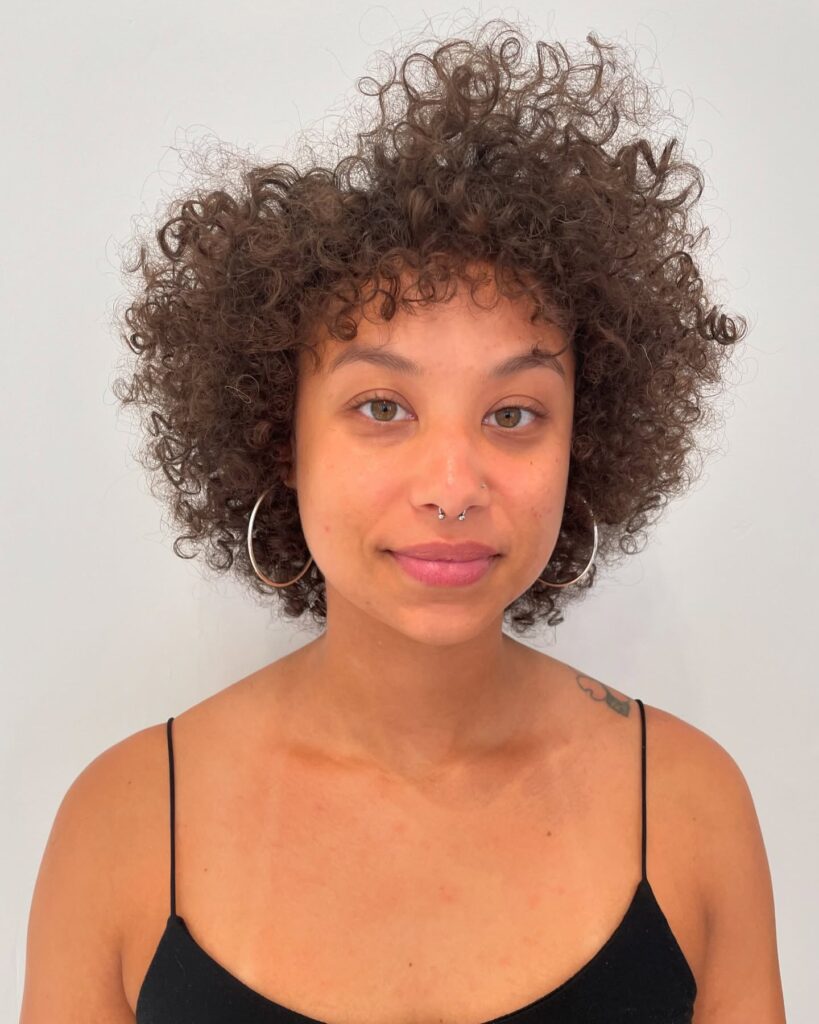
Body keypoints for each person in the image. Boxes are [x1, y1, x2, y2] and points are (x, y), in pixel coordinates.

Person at [20, 20, 786, 1024]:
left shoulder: (691, 811)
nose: (453, 483)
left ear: (585, 444)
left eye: (513, 414)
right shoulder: (119, 828)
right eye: (383, 408)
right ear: (277, 435)